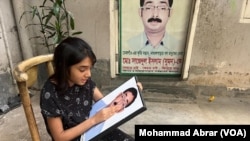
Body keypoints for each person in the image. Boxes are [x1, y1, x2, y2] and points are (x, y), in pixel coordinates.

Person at [40, 37, 143, 141]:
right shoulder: (50, 94)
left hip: (94, 131)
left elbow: (104, 102)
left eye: (90, 68)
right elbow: (60, 138)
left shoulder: (84, 82)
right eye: (82, 69)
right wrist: (94, 120)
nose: (88, 74)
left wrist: (133, 89)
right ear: (64, 67)